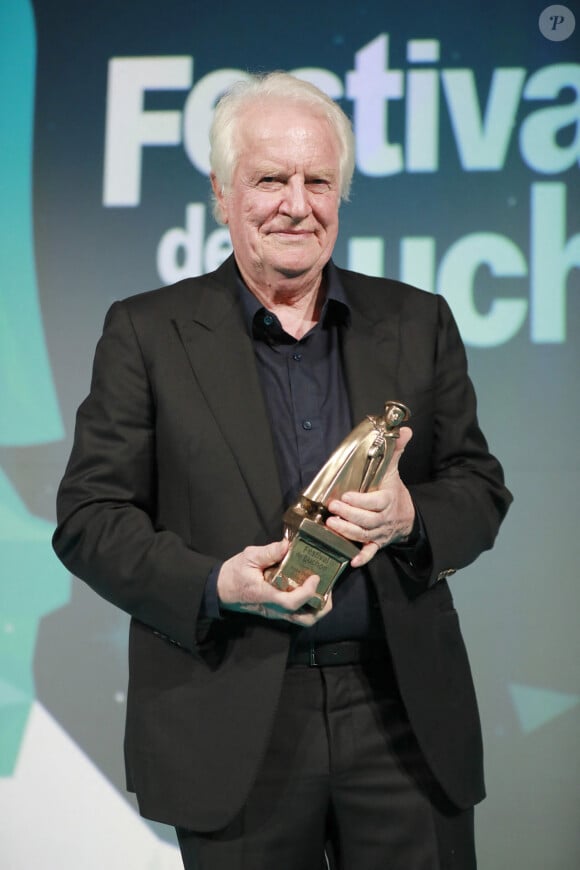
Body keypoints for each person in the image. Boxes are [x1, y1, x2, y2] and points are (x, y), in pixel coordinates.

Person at [53, 72, 512, 870]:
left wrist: (410, 519)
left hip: (400, 713)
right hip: (231, 716)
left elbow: (477, 486)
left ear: (340, 194)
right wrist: (213, 584)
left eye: (319, 181)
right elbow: (91, 518)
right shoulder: (147, 332)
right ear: (222, 195)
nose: (296, 204)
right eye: (271, 179)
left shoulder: (416, 320)